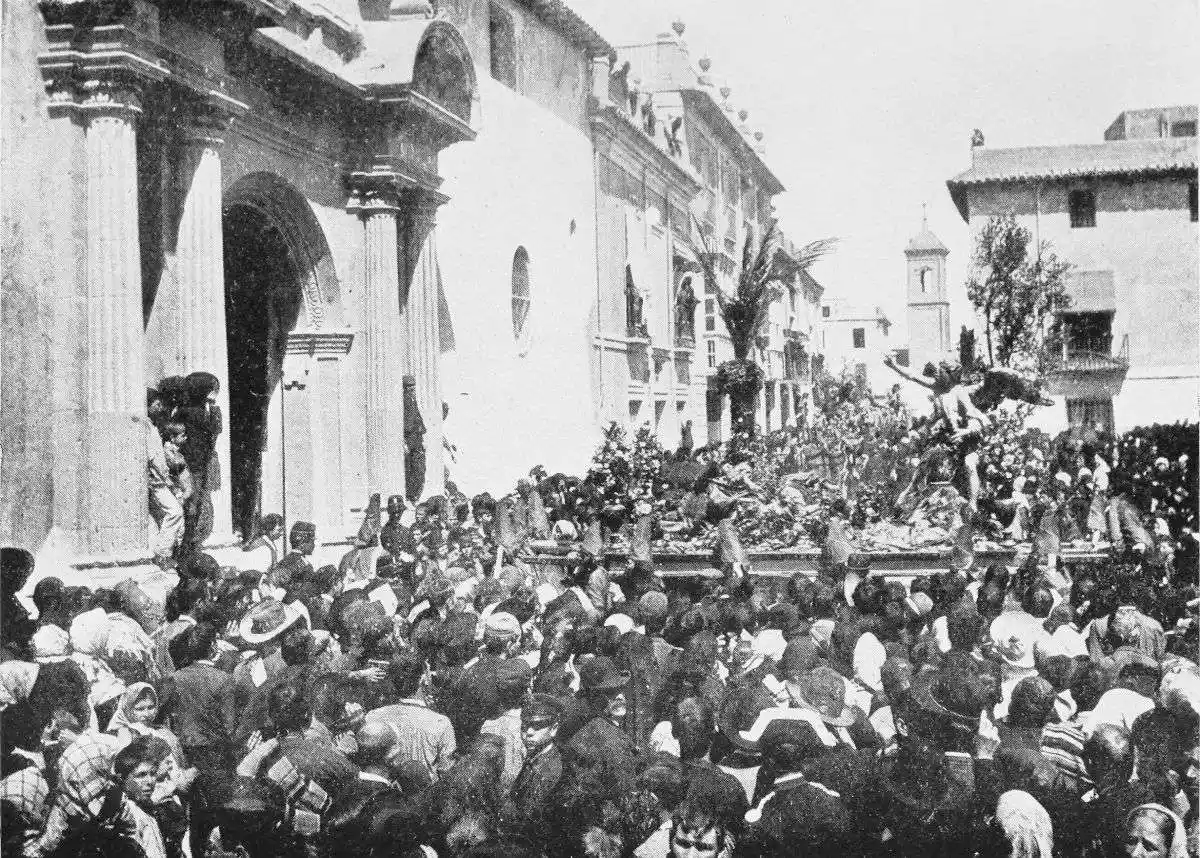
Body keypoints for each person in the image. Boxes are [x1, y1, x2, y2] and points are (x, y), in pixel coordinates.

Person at [366, 650, 456, 783]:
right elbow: (446, 772)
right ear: (422, 679)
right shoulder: (441, 723)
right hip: (425, 793)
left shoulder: (373, 717)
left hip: (385, 791)